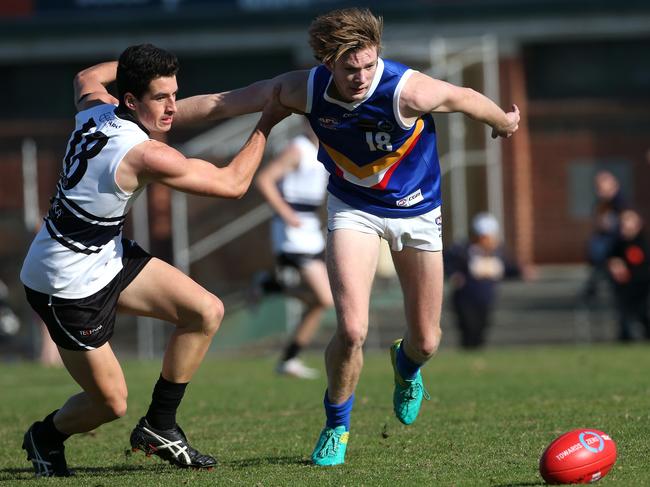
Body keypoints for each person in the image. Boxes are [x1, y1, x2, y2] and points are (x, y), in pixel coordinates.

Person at [177, 7, 519, 466]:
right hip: (354, 209)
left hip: (418, 212)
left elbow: (466, 98)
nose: (360, 77)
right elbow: (224, 102)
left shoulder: (406, 89)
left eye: (368, 65)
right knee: (352, 329)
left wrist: (502, 122)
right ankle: (336, 426)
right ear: (327, 63)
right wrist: (155, 118)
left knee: (428, 341)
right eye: (349, 68)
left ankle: (408, 364)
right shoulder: (304, 89)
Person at [19, 43, 290, 477]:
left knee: (204, 311)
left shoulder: (96, 107)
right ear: (130, 100)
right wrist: (267, 122)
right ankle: (45, 436)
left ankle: (160, 426)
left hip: (104, 253)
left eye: (174, 95)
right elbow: (232, 184)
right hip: (64, 282)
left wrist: (132, 68)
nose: (172, 108)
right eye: (160, 98)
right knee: (110, 404)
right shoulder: (145, 153)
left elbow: (86, 76)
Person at [253, 123, 333, 379]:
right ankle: (289, 358)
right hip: (293, 232)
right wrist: (287, 214)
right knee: (324, 298)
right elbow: (264, 180)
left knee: (319, 301)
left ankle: (290, 357)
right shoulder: (298, 148)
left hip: (310, 230)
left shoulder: (326, 151)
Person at [445, 213, 524, 349]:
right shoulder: (462, 251)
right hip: (465, 300)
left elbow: (508, 268)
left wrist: (522, 271)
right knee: (469, 329)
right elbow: (448, 264)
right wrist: (454, 275)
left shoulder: (498, 253)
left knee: (480, 331)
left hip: (486, 300)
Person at [583, 170, 628, 301]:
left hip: (617, 241)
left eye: (601, 187)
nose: (600, 191)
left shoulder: (620, 203)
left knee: (601, 249)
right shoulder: (601, 204)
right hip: (605, 241)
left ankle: (597, 283)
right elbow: (598, 222)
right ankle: (596, 282)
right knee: (596, 246)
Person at [606, 209, 650, 342]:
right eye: (623, 221)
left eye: (629, 221)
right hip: (625, 289)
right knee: (624, 316)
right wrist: (614, 264)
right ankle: (625, 338)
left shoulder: (644, 243)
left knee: (643, 314)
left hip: (643, 288)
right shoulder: (618, 244)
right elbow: (610, 259)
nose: (625, 225)